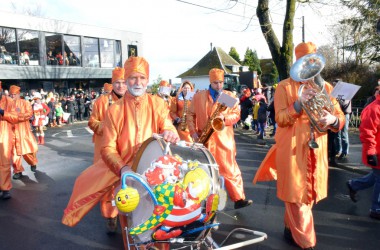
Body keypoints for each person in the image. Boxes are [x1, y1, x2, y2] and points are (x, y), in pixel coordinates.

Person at [62, 57, 179, 249]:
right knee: (133, 228)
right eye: (133, 78)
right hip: (126, 177)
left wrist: (170, 132)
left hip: (155, 175)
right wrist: (123, 168)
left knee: (157, 225)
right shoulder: (114, 110)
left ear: (147, 80)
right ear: (126, 79)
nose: (138, 82)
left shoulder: (158, 104)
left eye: (142, 78)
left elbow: (167, 125)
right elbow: (107, 148)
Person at [253, 42, 345, 250]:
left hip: (315, 149)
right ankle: (307, 242)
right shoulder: (285, 86)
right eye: (306, 63)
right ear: (298, 63)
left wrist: (333, 120)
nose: (310, 68)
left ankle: (289, 229)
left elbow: (339, 116)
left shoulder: (326, 87)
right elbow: (280, 118)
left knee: (307, 195)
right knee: (297, 196)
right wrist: (298, 104)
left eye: (313, 63)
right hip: (292, 150)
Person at [188, 68, 253, 210]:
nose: (218, 86)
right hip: (204, 140)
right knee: (204, 172)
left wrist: (224, 118)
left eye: (221, 82)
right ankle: (205, 202)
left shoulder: (227, 96)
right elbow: (190, 115)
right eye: (215, 83)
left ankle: (238, 198)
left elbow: (236, 115)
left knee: (230, 169)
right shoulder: (199, 96)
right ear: (210, 82)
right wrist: (193, 132)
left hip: (224, 141)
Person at [86, 67, 127, 233]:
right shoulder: (102, 101)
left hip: (126, 150)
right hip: (106, 149)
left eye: (124, 82)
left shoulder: (134, 100)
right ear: (112, 84)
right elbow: (92, 122)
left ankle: (128, 214)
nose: (121, 86)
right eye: (117, 82)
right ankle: (111, 216)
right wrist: (107, 127)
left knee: (126, 182)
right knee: (107, 184)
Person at [346, 85, 380, 220]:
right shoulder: (373, 109)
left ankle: (353, 184)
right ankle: (376, 208)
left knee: (376, 176)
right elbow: (367, 133)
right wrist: (371, 152)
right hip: (377, 152)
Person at [8, 85, 38, 179]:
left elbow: (29, 114)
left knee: (27, 152)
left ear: (18, 94)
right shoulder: (7, 105)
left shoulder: (25, 103)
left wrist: (17, 116)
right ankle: (18, 171)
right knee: (14, 153)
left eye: (14, 94)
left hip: (23, 131)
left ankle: (33, 163)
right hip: (12, 132)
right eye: (11, 94)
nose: (12, 96)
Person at [0, 81, 16, 199]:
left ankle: (5, 189)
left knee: (4, 162)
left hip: (4, 134)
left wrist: (2, 112)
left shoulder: (8, 101)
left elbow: (16, 117)